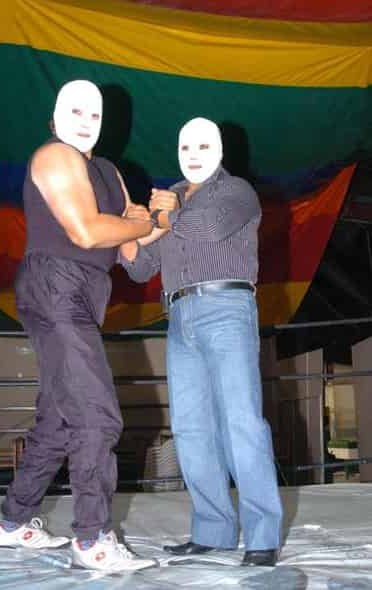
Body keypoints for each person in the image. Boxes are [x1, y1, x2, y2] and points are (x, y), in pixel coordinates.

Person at [0, 80, 156, 573]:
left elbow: (136, 260)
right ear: (57, 116)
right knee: (96, 413)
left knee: (60, 419)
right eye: (76, 111)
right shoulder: (55, 156)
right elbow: (87, 231)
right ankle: (93, 538)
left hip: (88, 290)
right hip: (55, 283)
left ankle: (14, 522)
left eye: (95, 115)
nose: (86, 121)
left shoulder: (109, 171)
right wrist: (141, 223)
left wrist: (158, 221)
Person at [120, 117, 283, 567]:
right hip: (179, 316)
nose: (193, 152)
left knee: (242, 422)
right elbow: (139, 268)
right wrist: (127, 229)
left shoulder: (236, 191)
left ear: (219, 149)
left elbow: (209, 229)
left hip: (227, 307)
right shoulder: (170, 200)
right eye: (185, 145)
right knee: (191, 427)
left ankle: (262, 534)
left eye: (202, 144)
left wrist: (162, 216)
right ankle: (213, 531)